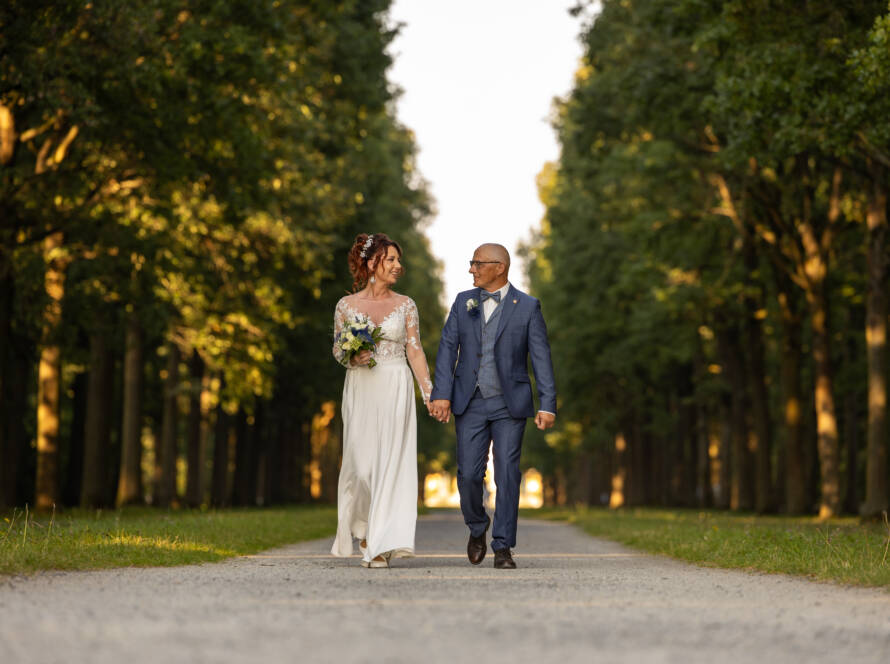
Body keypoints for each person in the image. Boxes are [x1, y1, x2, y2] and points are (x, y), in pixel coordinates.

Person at [430, 243, 556, 569]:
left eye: (477, 263)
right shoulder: (463, 302)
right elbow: (447, 350)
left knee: (508, 475)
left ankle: (503, 547)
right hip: (469, 401)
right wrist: (441, 394)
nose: (471, 269)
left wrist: (548, 404)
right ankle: (477, 526)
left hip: (509, 404)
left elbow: (541, 357)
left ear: (499, 267)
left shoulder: (528, 307)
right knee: (469, 476)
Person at [330, 233, 434, 568]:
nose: (397, 266)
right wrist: (350, 357)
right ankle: (363, 526)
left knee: (391, 462)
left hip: (395, 384)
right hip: (361, 386)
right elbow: (336, 349)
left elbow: (414, 351)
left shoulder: (406, 305)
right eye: (390, 260)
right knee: (361, 466)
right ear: (371, 263)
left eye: (397, 260)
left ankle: (380, 543)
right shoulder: (346, 306)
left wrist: (429, 393)